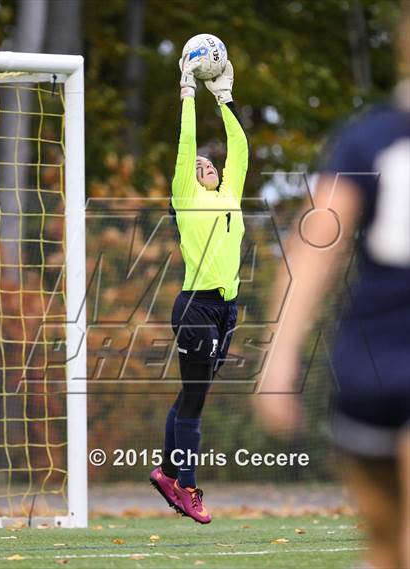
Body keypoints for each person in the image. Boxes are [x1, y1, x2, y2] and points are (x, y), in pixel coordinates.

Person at [254, 9, 410, 568]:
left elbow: (313, 250)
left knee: (388, 548)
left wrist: (278, 362)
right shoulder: (368, 141)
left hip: (367, 373)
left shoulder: (365, 139)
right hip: (379, 364)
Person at [150, 55, 248, 524]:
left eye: (211, 163)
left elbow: (241, 149)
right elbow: (187, 142)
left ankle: (169, 474)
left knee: (192, 395)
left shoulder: (230, 193)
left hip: (227, 310)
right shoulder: (186, 196)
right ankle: (185, 486)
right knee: (194, 399)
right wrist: (188, 93)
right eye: (199, 164)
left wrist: (224, 100)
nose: (206, 164)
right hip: (195, 308)